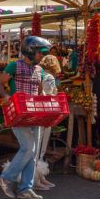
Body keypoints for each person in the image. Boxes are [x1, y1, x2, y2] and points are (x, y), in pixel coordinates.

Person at [0, 36, 51, 199]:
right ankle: (6, 177)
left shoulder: (39, 70)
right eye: (40, 53)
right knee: (28, 147)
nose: (42, 56)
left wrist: (48, 99)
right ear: (30, 51)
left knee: (33, 153)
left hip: (35, 115)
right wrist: (5, 95)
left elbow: (40, 93)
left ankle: (25, 188)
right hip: (18, 114)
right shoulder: (14, 66)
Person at [35, 54, 61, 191]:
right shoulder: (50, 77)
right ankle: (37, 179)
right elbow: (49, 95)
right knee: (40, 149)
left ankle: (39, 177)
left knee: (37, 147)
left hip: (37, 112)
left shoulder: (39, 74)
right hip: (46, 113)